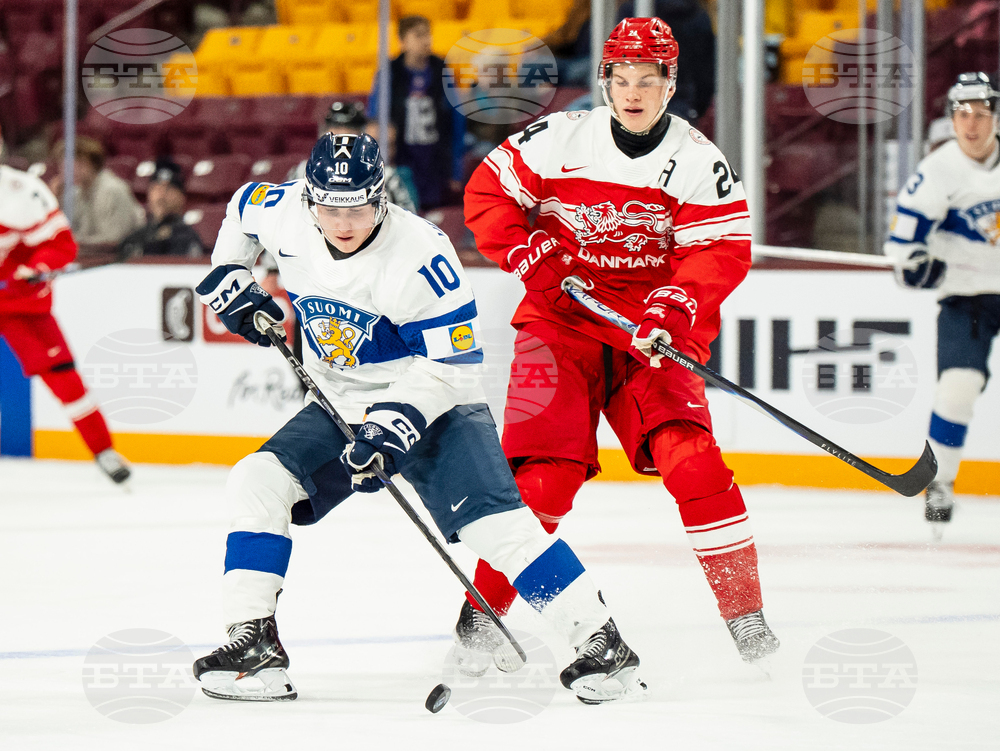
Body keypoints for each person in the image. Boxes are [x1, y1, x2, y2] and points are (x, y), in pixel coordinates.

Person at [190, 133, 646, 704]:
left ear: (381, 197)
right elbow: (239, 213)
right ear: (310, 199)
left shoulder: (422, 256)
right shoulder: (284, 211)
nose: (343, 221)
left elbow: (452, 367)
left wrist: (391, 425)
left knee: (495, 529)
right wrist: (235, 282)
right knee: (256, 480)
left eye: (357, 207)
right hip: (338, 401)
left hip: (433, 401)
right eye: (330, 208)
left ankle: (602, 643)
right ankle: (252, 647)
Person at [454, 17, 779, 670]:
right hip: (559, 329)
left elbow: (720, 251)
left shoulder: (697, 160)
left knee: (694, 463)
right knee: (540, 484)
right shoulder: (559, 138)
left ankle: (749, 623)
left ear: (670, 84)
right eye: (621, 79)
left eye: (648, 80)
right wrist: (526, 250)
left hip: (649, 340)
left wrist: (677, 301)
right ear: (603, 81)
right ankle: (480, 624)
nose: (633, 93)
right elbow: (488, 193)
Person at [885, 71, 1000, 535]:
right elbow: (902, 247)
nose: (971, 125)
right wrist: (916, 264)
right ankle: (941, 482)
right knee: (957, 387)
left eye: (981, 114)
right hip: (967, 298)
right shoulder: (938, 171)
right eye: (962, 114)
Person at [0, 158, 131, 484]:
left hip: (15, 304)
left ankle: (103, 450)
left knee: (62, 374)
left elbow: (60, 245)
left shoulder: (19, 192)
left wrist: (38, 267)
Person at [367, 15, 459, 209]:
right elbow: (376, 119)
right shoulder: (390, 72)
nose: (426, 40)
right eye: (418, 35)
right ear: (403, 40)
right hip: (402, 160)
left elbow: (456, 121)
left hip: (435, 161)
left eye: (428, 34)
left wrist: (455, 170)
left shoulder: (441, 70)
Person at [287, 100, 417, 212]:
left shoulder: (384, 174)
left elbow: (409, 220)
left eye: (349, 131)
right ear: (322, 134)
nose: (342, 137)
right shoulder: (302, 171)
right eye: (335, 130)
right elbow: (284, 213)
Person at [48, 137, 143, 246]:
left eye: (76, 164)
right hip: (92, 256)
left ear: (92, 164)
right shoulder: (76, 192)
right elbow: (65, 232)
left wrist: (74, 242)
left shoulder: (112, 190)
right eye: (63, 166)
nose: (67, 171)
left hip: (124, 257)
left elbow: (114, 240)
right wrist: (56, 201)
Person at [118, 157, 205, 259]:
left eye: (168, 189)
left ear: (181, 197)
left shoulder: (188, 238)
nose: (161, 195)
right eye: (156, 188)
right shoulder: (135, 238)